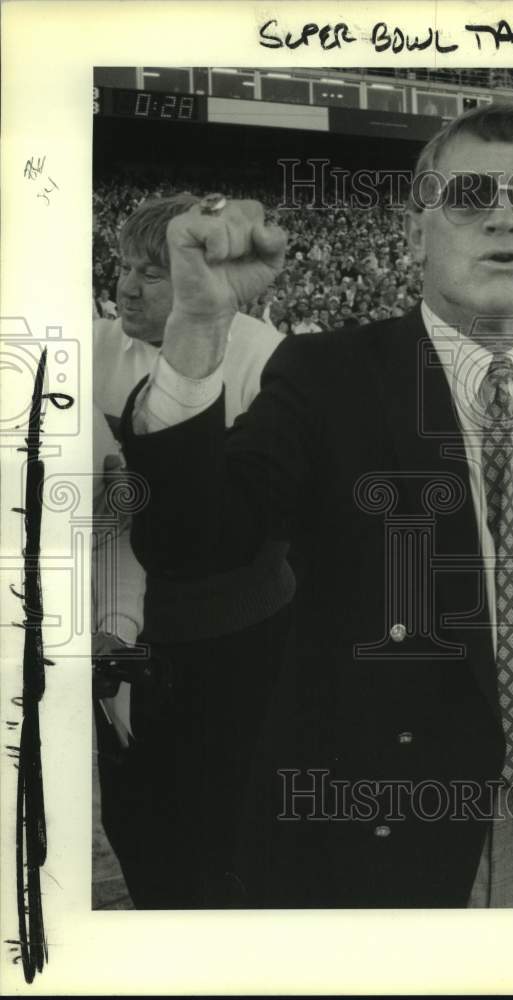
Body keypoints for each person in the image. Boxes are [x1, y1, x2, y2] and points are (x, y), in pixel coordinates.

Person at [122, 105, 513, 908]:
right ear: (414, 234)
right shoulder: (329, 374)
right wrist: (198, 326)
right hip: (385, 821)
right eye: (470, 195)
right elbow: (194, 544)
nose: (504, 215)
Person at [93, 194, 295, 908]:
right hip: (124, 633)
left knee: (226, 832)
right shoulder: (90, 346)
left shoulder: (263, 355)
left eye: (152, 272)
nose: (126, 285)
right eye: (122, 265)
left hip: (231, 634)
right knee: (138, 821)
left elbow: (243, 522)